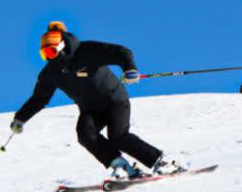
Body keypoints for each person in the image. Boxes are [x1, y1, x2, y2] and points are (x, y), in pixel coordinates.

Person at [9, 22, 179, 179]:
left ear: (61, 47)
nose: (49, 58)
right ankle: (121, 166)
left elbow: (120, 52)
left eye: (51, 52)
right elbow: (39, 98)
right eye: (44, 54)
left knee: (118, 137)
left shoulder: (87, 51)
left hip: (114, 100)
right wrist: (20, 118)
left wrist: (130, 69)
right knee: (85, 134)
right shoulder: (50, 72)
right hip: (90, 109)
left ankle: (161, 162)